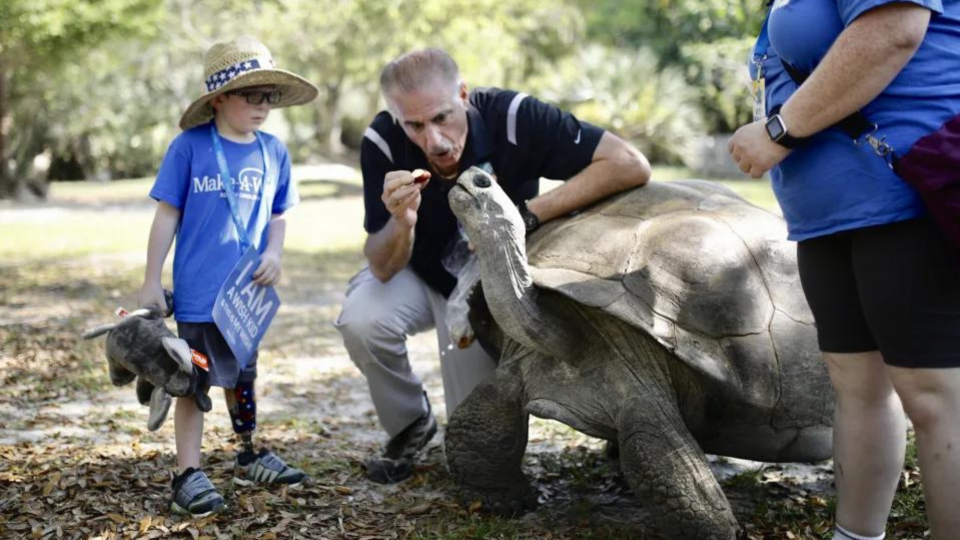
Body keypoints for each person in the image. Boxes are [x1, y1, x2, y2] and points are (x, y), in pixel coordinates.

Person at [335, 48, 651, 484]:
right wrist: (402, 221)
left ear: (463, 94)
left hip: (492, 279)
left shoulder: (514, 117)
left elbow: (630, 164)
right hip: (419, 271)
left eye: (443, 117)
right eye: (415, 125)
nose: (434, 142)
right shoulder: (383, 143)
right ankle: (409, 424)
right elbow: (383, 267)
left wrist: (528, 213)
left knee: (475, 446)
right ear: (396, 117)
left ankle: (628, 430)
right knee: (361, 319)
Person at [728, 2, 960, 539]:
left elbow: (894, 30)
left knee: (932, 393)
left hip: (907, 197)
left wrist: (778, 130)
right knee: (856, 384)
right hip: (832, 215)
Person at [137, 35, 319, 516]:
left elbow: (278, 214)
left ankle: (248, 453)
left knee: (242, 376)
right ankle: (187, 473)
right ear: (219, 98)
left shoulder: (273, 151)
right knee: (192, 382)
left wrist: (276, 253)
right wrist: (152, 279)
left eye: (270, 96)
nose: (263, 106)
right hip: (199, 295)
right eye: (250, 95)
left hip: (246, 299)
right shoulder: (189, 148)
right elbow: (166, 216)